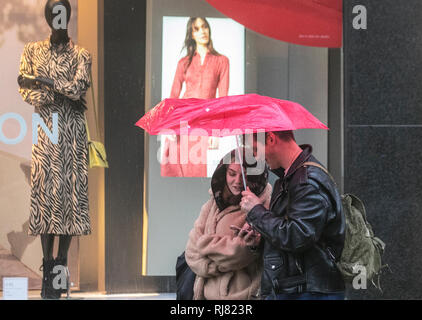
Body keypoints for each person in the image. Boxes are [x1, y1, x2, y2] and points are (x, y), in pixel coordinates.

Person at [17, 0, 91, 299]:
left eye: (63, 13)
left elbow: (79, 88)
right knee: (47, 202)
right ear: (48, 18)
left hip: (73, 136)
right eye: (53, 13)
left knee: (71, 204)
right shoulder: (32, 51)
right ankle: (49, 269)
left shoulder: (82, 54)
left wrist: (44, 80)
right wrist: (59, 91)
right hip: (48, 133)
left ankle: (61, 268)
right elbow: (26, 91)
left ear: (68, 16)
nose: (58, 18)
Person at [240, 131, 346, 300]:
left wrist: (256, 211)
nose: (255, 156)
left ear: (271, 138)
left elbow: (297, 236)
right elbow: (289, 234)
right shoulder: (291, 178)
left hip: (308, 292)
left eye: (255, 148)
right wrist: (259, 237)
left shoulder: (307, 181)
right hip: (297, 289)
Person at [185, 148, 272, 300]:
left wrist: (205, 245)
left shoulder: (262, 207)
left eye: (244, 175)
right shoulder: (212, 204)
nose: (237, 181)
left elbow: (242, 253)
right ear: (223, 172)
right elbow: (191, 253)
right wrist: (219, 263)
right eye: (232, 173)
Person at [161, 17, 230, 177]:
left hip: (203, 123)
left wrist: (216, 132)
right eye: (197, 28)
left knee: (195, 169)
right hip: (181, 120)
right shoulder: (183, 62)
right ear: (191, 34)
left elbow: (223, 99)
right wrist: (169, 124)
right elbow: (173, 96)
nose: (202, 31)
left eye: (204, 27)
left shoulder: (222, 61)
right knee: (172, 166)